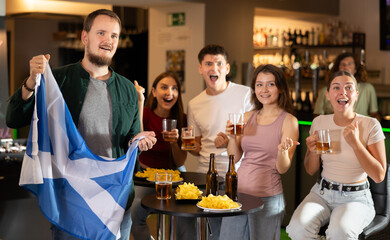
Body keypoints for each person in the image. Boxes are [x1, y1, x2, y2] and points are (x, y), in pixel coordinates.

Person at [6, 9, 157, 240]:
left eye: (114, 35)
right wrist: (30, 82)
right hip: (72, 199)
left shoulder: (127, 88)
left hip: (116, 198)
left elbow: (131, 136)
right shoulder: (58, 80)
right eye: (101, 33)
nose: (109, 40)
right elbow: (14, 118)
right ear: (85, 37)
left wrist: (141, 140)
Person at [286, 71, 387, 239]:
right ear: (328, 95)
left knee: (340, 232)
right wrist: (312, 151)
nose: (343, 92)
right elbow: (311, 170)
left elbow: (379, 175)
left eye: (349, 87)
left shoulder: (370, 124)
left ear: (356, 94)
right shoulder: (319, 122)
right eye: (336, 87)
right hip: (322, 193)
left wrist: (355, 143)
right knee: (297, 228)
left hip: (355, 198)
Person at [179, 44, 254, 240]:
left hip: (238, 175)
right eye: (209, 64)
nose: (214, 69)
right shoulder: (194, 104)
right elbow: (196, 148)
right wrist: (182, 143)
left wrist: (231, 140)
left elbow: (255, 134)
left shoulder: (245, 94)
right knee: (210, 234)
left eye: (219, 64)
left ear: (227, 68)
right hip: (206, 176)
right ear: (200, 68)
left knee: (234, 234)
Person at [219, 64, 299, 240]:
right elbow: (236, 157)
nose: (264, 90)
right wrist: (232, 137)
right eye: (259, 84)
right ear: (254, 88)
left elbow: (282, 168)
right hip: (237, 194)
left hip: (267, 198)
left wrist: (282, 152)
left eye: (270, 84)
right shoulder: (247, 117)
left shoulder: (289, 121)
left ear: (281, 88)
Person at [131, 72, 187, 240]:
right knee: (135, 212)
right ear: (154, 92)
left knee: (186, 211)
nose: (169, 92)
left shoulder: (182, 119)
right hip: (147, 176)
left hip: (173, 175)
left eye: (174, 88)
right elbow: (139, 138)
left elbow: (180, 161)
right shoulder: (146, 114)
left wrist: (173, 142)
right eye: (164, 87)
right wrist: (140, 101)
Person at [314, 52, 380, 121]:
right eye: (343, 64)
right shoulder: (325, 91)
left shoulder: (368, 88)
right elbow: (317, 116)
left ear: (355, 69)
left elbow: (374, 114)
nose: (346, 67)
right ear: (337, 69)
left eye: (349, 64)